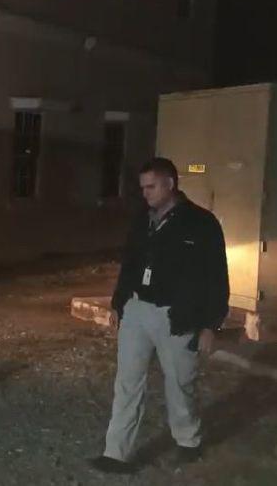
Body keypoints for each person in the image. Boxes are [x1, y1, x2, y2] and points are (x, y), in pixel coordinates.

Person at [90, 157, 229, 474]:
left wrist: (210, 324)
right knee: (127, 382)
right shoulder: (143, 220)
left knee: (179, 383)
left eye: (151, 187)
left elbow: (216, 277)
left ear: (170, 184)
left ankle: (188, 441)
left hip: (176, 315)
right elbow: (130, 262)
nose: (146, 193)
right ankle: (116, 453)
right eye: (142, 188)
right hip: (137, 309)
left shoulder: (201, 223)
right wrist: (119, 302)